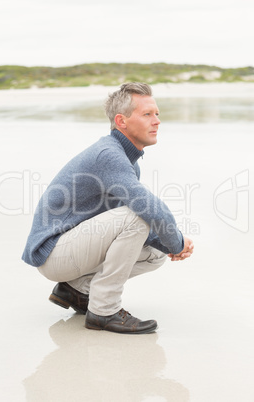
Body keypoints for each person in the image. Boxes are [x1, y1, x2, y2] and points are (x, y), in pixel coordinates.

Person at [22, 82, 194, 334]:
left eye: (157, 114)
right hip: (53, 253)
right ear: (121, 121)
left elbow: (135, 223)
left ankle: (77, 290)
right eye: (147, 114)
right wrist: (177, 241)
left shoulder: (125, 160)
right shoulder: (109, 155)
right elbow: (150, 209)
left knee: (155, 254)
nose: (157, 121)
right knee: (138, 217)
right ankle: (104, 311)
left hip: (70, 249)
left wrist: (170, 246)